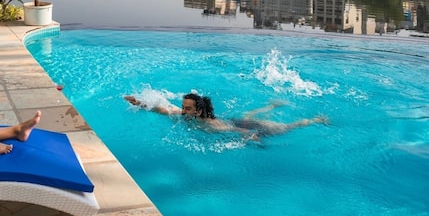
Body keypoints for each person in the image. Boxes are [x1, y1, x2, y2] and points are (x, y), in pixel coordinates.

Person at [124, 92, 328, 140]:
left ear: (198, 111)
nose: (183, 111)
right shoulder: (186, 115)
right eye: (183, 107)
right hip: (234, 121)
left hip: (242, 126)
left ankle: (315, 120)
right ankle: (271, 105)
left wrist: (252, 138)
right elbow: (163, 110)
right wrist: (140, 103)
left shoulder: (212, 125)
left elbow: (237, 130)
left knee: (284, 128)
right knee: (247, 115)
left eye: (187, 108)